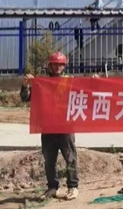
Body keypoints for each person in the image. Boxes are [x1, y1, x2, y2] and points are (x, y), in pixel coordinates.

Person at [20, 52, 80, 200]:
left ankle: (73, 186)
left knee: (70, 158)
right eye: (55, 64)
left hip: (65, 127)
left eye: (61, 65)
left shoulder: (70, 81)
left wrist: (96, 81)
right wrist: (25, 85)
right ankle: (52, 187)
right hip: (48, 127)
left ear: (64, 66)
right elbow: (26, 97)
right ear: (50, 66)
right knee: (49, 160)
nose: (58, 67)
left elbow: (87, 93)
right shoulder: (42, 83)